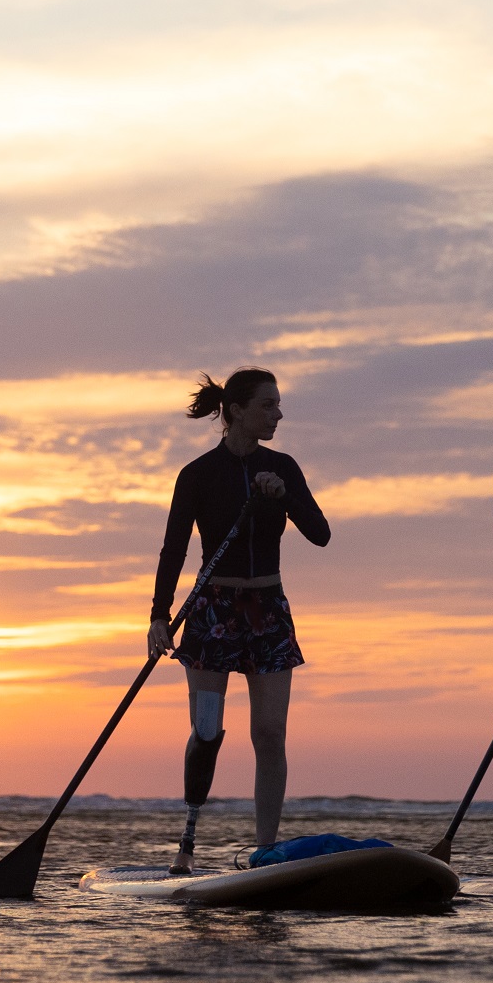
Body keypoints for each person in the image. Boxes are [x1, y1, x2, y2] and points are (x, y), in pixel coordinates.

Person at [151, 368, 332, 871]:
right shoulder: (197, 474)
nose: (278, 414)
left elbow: (321, 534)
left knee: (270, 732)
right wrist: (158, 616)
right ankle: (187, 843)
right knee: (207, 731)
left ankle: (266, 848)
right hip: (212, 613)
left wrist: (284, 497)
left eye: (278, 404)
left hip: (267, 610)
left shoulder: (284, 467)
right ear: (235, 411)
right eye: (268, 405)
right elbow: (173, 550)